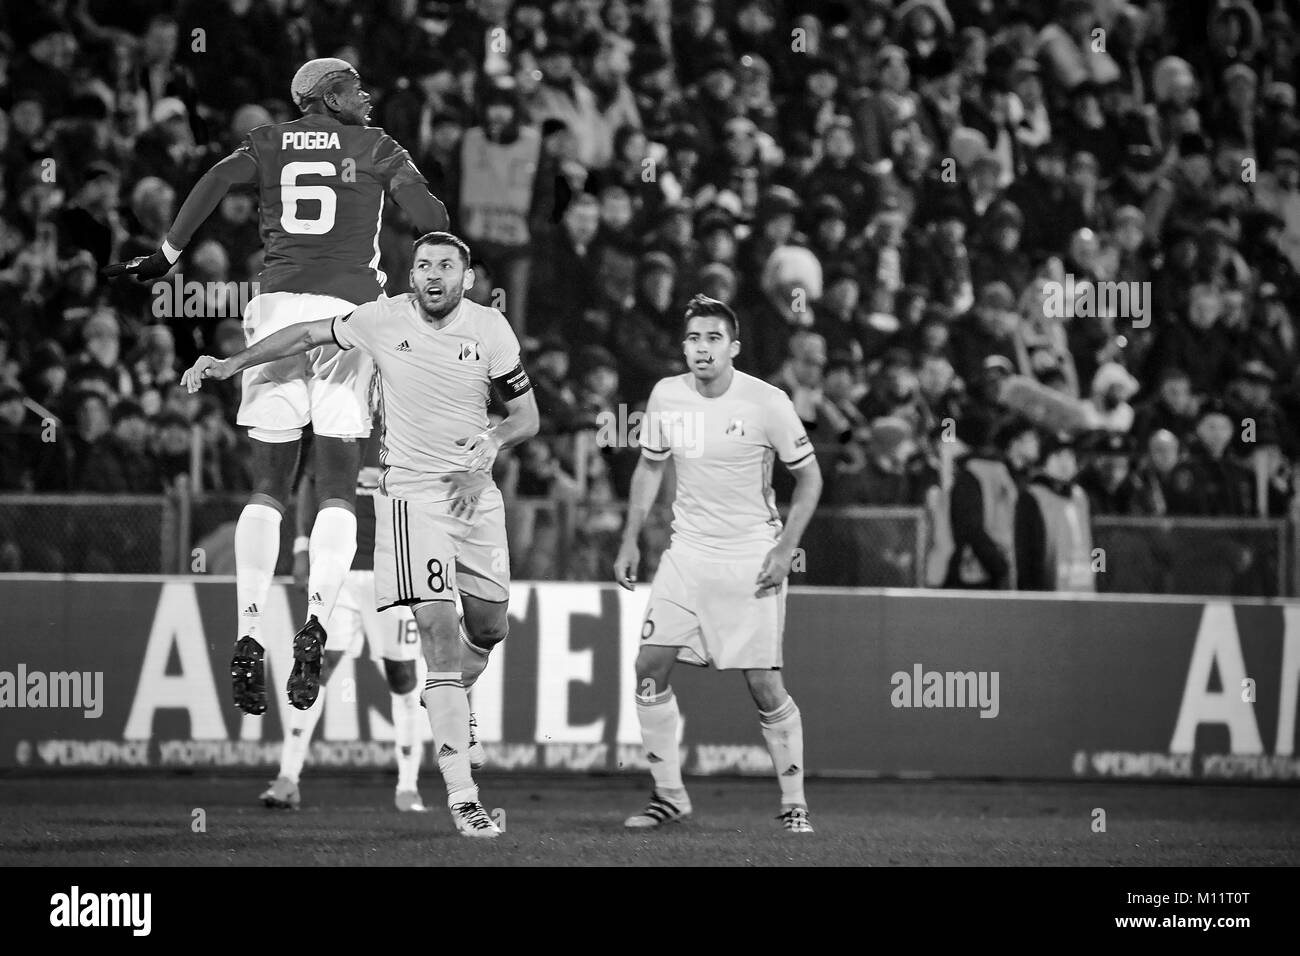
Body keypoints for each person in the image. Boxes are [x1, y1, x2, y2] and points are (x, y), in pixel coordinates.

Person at [106, 58, 449, 719]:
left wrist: (167, 255)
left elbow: (213, 179)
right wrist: (424, 222)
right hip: (347, 316)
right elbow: (428, 214)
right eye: (353, 86)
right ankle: (316, 622)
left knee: (269, 485)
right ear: (327, 96)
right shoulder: (375, 146)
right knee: (339, 485)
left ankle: (248, 632)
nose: (366, 94)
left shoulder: (267, 141)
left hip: (273, 313)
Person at [183, 231, 539, 839]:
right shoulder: (380, 319)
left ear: (467, 278)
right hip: (411, 500)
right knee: (438, 633)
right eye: (423, 265)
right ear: (411, 275)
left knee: (488, 627)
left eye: (445, 266)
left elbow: (526, 415)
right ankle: (463, 796)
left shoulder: (491, 330)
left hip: (474, 496)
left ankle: (451, 695)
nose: (433, 275)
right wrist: (233, 363)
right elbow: (304, 335)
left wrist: (494, 439)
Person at [613, 294, 824, 834]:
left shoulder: (767, 402)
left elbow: (810, 478)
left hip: (750, 557)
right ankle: (669, 795)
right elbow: (649, 467)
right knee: (648, 668)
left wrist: (784, 549)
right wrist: (630, 539)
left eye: (713, 338)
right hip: (686, 554)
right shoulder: (666, 395)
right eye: (692, 338)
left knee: (764, 685)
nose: (701, 348)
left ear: (733, 347)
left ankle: (794, 803)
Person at [258, 429, 433, 813]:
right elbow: (309, 483)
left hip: (392, 573)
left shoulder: (409, 423)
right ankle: (287, 778)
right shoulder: (338, 425)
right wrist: (301, 546)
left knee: (402, 675)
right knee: (314, 667)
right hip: (338, 568)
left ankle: (407, 787)